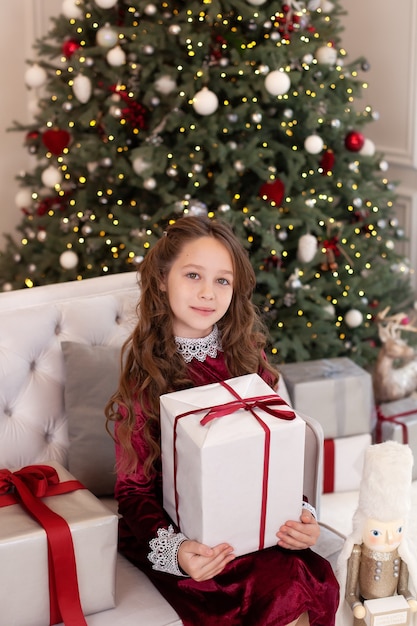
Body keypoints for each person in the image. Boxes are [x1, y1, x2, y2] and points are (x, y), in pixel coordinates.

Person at [105, 215, 339, 626]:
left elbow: (277, 454)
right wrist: (176, 552)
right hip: (188, 534)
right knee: (275, 588)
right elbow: (133, 489)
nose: (207, 293)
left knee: (306, 576)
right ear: (162, 279)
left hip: (253, 520)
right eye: (193, 275)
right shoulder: (146, 374)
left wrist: (301, 514)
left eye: (222, 281)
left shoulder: (247, 356)